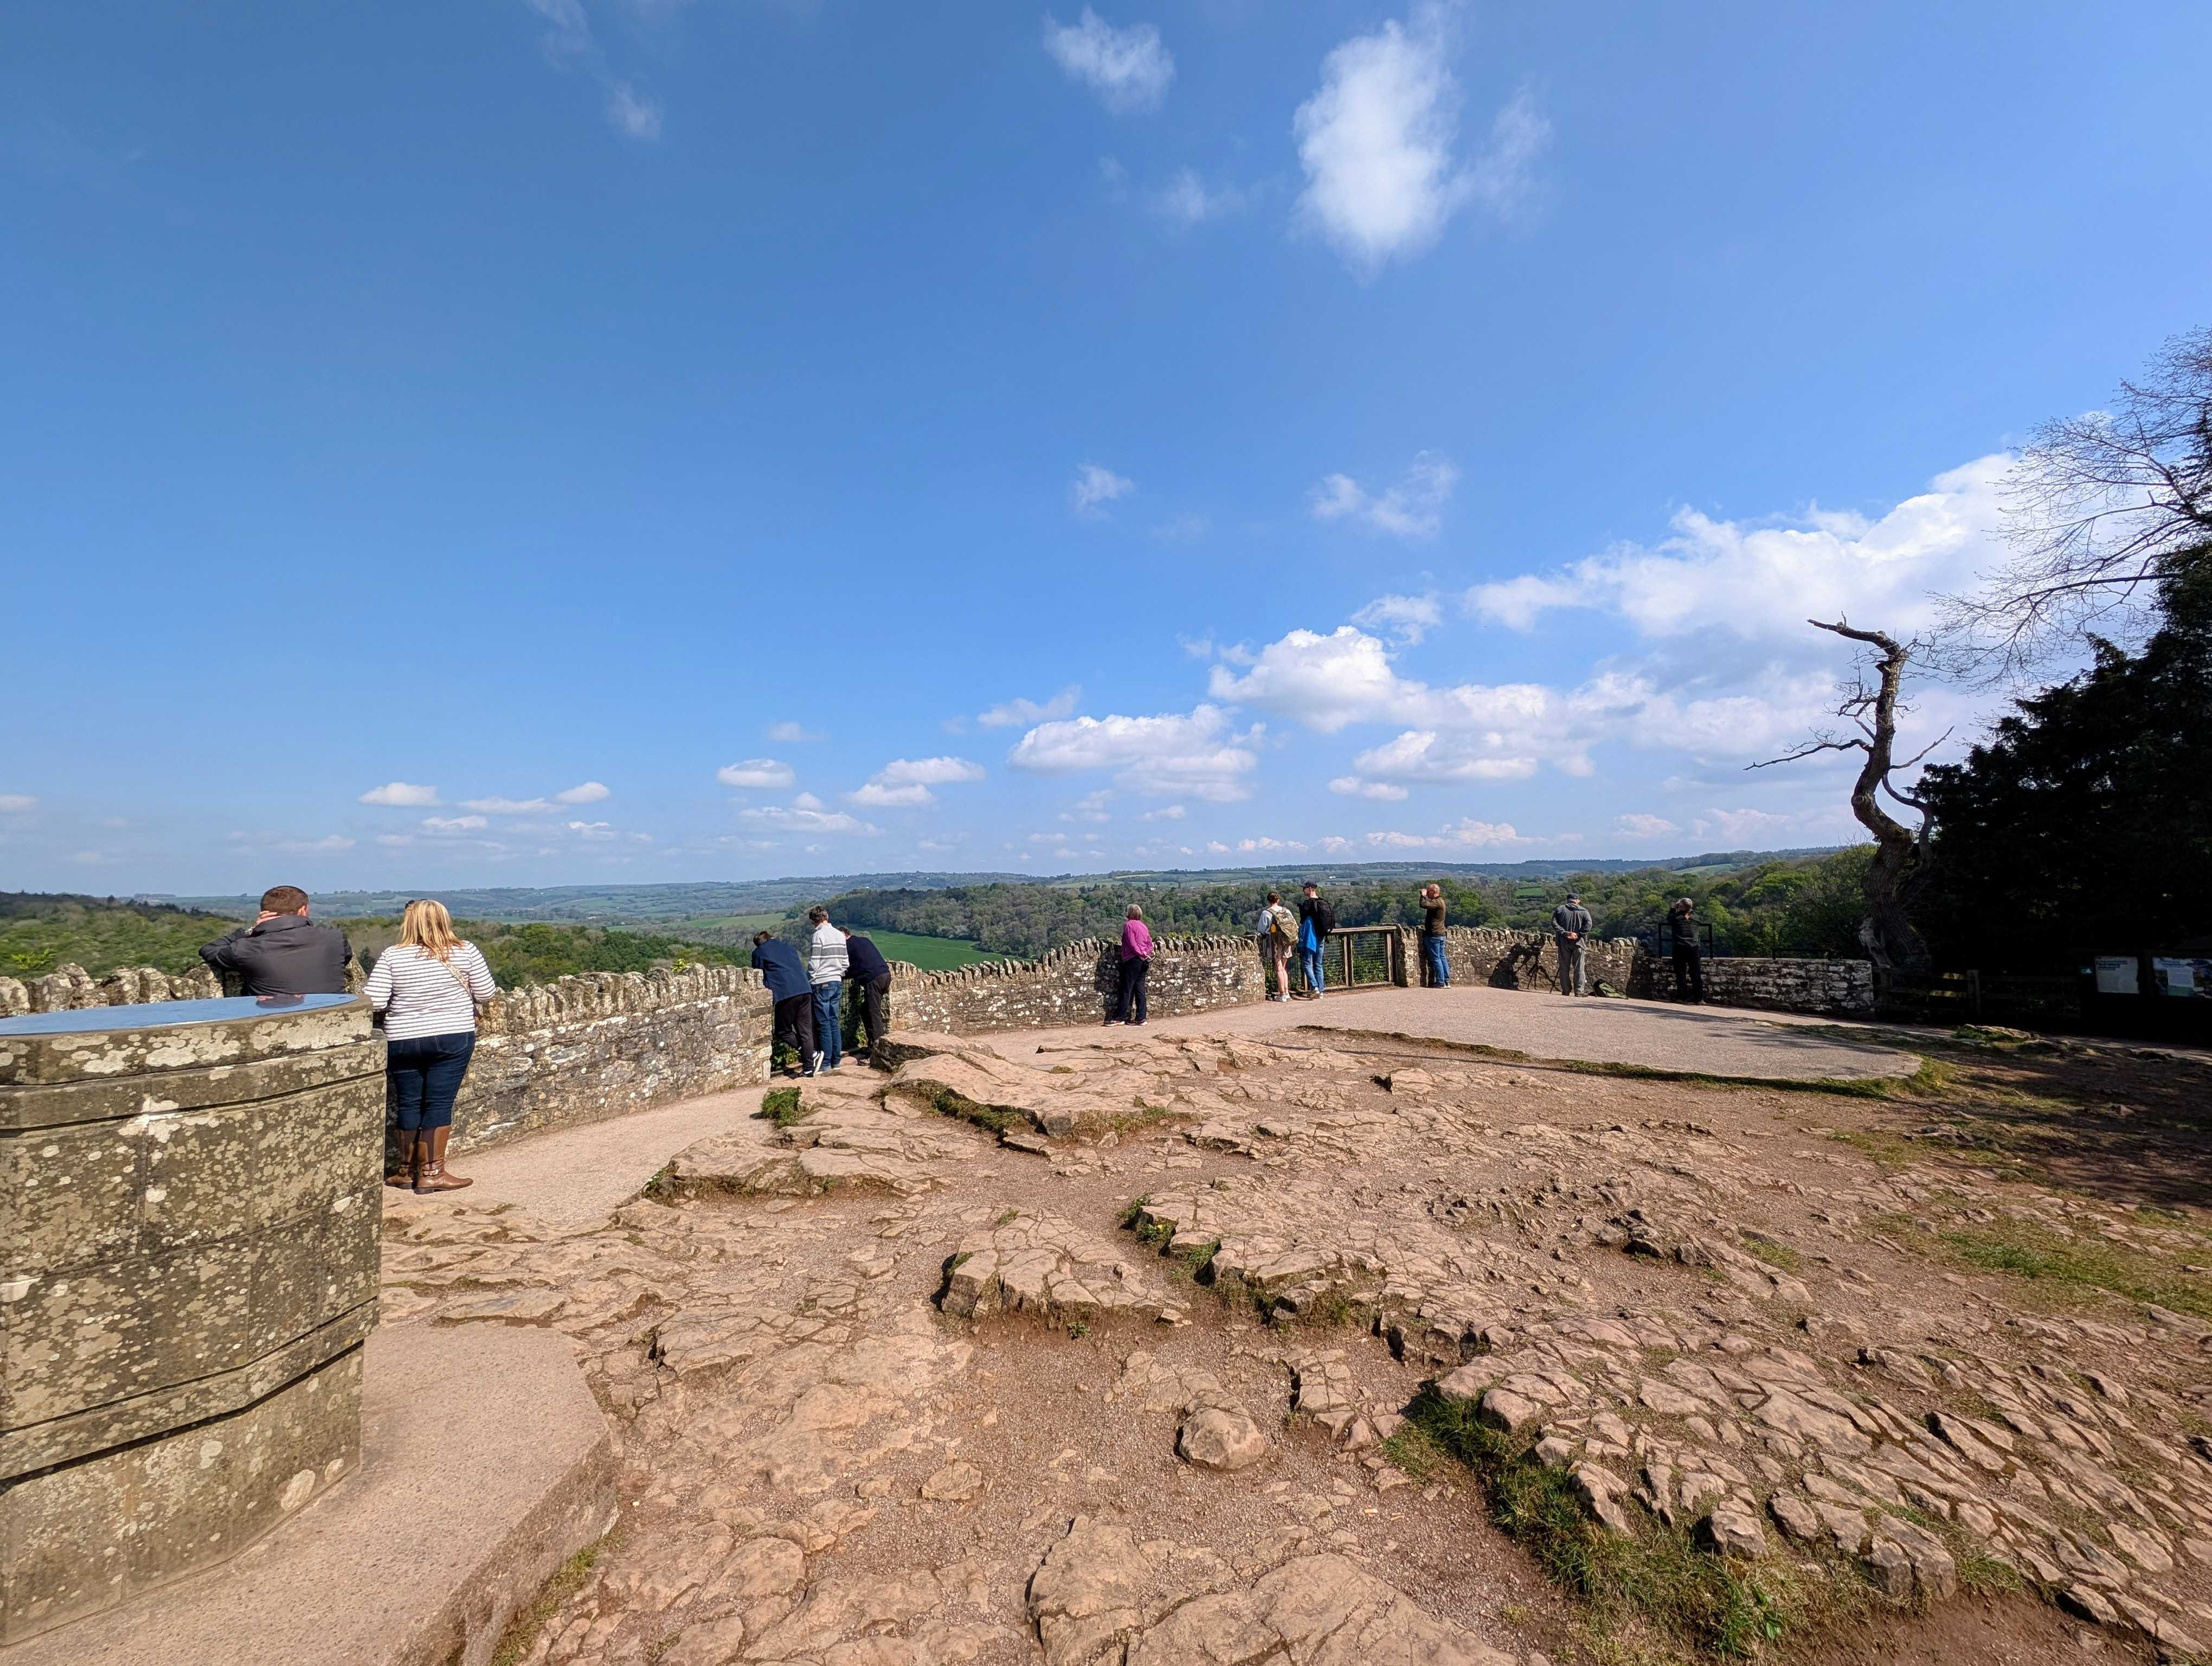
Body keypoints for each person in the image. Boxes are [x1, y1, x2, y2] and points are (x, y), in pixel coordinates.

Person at [366, 900, 496, 1193]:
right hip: (453, 1035)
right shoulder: (465, 951)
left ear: (409, 923)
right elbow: (487, 993)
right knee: (438, 1102)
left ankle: (406, 1171)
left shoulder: (393, 956)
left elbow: (374, 1001)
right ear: (445, 920)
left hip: (403, 1038)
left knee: (409, 1102)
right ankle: (432, 1172)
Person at [200, 885, 352, 997]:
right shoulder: (334, 937)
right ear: (303, 911)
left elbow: (210, 950)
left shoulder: (247, 948)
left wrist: (250, 932)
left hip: (273, 1027)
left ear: (264, 914)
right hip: (331, 1019)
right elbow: (345, 959)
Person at [751, 930, 819, 1077]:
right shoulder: (788, 946)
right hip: (805, 989)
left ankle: (809, 1053)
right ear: (772, 938)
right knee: (805, 1030)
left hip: (786, 993)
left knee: (782, 1030)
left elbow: (757, 975)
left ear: (758, 945)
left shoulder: (759, 953)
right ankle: (808, 1068)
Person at [805, 907, 849, 1071]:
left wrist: (810, 979)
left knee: (823, 1023)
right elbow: (846, 962)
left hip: (821, 982)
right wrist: (838, 972)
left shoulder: (818, 936)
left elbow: (814, 963)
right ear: (827, 917)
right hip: (837, 980)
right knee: (834, 1021)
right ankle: (836, 1060)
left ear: (813, 921)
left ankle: (825, 1062)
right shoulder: (839, 934)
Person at [843, 926, 893, 1056]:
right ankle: (873, 1045)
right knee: (866, 1010)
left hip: (873, 979)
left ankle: (878, 1051)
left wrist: (841, 976)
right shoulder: (863, 940)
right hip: (885, 975)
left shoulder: (848, 947)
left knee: (873, 1012)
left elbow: (850, 968)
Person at [1110, 904, 1154, 1024]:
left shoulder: (1129, 925)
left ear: (1129, 913)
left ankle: (1120, 1017)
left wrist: (1139, 953)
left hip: (1132, 960)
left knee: (1127, 988)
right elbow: (1150, 943)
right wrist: (1146, 953)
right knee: (1140, 989)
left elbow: (1132, 943)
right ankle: (1141, 1017)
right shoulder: (1144, 926)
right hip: (1144, 960)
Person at [1255, 891, 1296, 1002]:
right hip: (1287, 942)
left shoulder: (1266, 913)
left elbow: (1261, 930)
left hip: (1275, 943)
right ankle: (1287, 993)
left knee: (1279, 969)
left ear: (1268, 901)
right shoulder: (1287, 911)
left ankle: (1282, 994)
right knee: (1284, 968)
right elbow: (1294, 925)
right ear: (1278, 900)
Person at [1296, 882, 1335, 999]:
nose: (1303, 890)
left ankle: (1315, 988)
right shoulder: (1323, 902)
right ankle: (1321, 991)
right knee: (1318, 964)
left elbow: (1303, 921)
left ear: (1311, 889)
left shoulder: (1308, 904)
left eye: (1305, 888)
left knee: (1307, 963)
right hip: (1321, 936)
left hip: (1310, 937)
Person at [1552, 892, 1594, 996]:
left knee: (1564, 967)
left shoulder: (1560, 909)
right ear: (1578, 901)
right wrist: (1579, 934)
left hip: (1563, 941)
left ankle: (1566, 990)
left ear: (1568, 900)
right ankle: (1579, 991)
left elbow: (1554, 923)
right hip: (1579, 942)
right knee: (1579, 967)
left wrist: (1565, 933)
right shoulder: (1584, 911)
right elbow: (1589, 925)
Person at [1667, 896, 1705, 1003]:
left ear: (1681, 907)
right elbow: (1697, 917)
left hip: (1679, 947)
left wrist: (1673, 908)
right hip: (1694, 947)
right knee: (1696, 973)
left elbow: (1669, 919)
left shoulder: (1676, 918)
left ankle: (1682, 997)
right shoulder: (1697, 918)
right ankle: (1699, 998)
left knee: (1680, 972)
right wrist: (1688, 909)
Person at [1418, 883, 1451, 989]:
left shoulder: (1437, 902)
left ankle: (1441, 982)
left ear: (1434, 892)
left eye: (1429, 891)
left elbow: (1423, 905)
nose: (1427, 893)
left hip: (1434, 935)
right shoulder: (1441, 901)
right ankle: (1446, 981)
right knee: (1442, 957)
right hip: (1441, 934)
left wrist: (1423, 896)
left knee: (1436, 958)